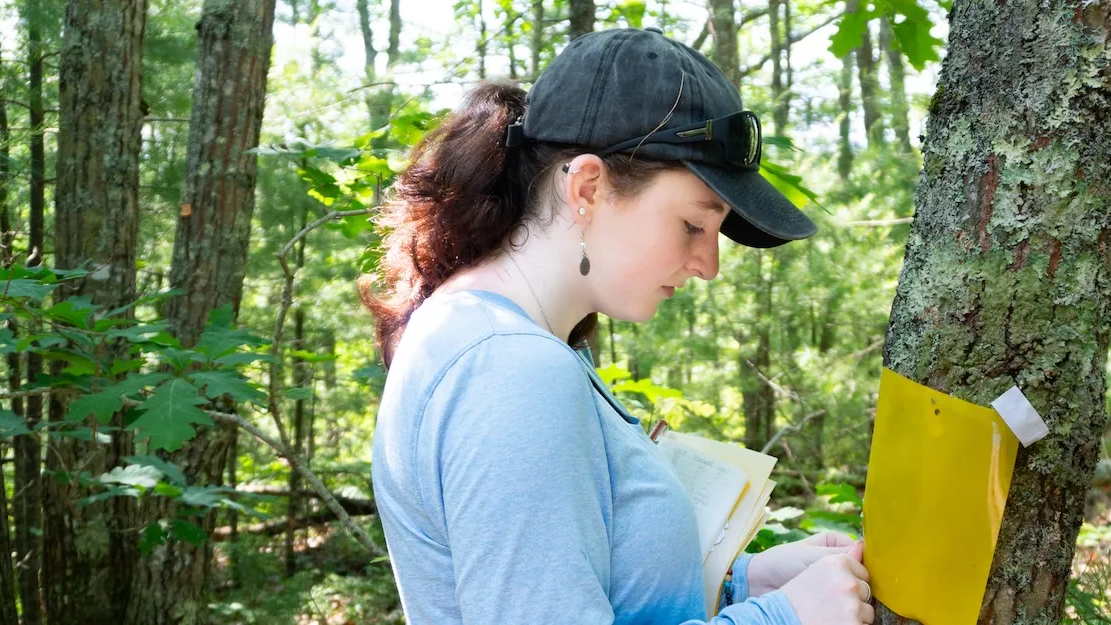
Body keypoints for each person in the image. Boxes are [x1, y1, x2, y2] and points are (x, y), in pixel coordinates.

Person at [362, 27, 874, 625]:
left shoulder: (488, 336)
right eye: (693, 225)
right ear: (587, 187)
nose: (708, 265)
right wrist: (782, 619)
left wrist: (741, 584)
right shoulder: (509, 368)